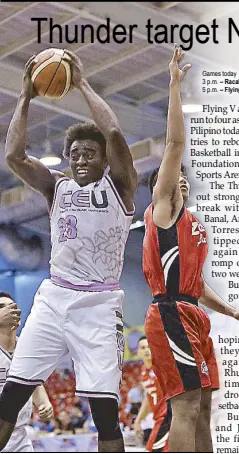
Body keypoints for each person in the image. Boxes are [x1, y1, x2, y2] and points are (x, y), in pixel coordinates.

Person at [0, 49, 137, 453]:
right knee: (10, 398)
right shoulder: (55, 186)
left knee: (105, 414)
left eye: (88, 154)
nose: (80, 158)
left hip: (98, 303)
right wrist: (25, 96)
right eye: (74, 153)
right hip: (54, 296)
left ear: (103, 161)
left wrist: (80, 83)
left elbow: (112, 134)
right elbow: (13, 156)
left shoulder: (120, 187)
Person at [142, 45, 239, 453]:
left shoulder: (193, 225)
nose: (179, 180)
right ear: (160, 188)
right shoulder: (163, 212)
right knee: (187, 405)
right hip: (170, 312)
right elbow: (175, 145)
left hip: (192, 312)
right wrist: (175, 86)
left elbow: (197, 285)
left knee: (205, 405)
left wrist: (232, 311)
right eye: (170, 177)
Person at [0, 292, 53, 452]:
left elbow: (32, 383)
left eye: (12, 307)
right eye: (1, 307)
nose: (9, 310)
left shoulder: (26, 348)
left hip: (20, 439)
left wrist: (45, 404)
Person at [134, 336, 171, 453]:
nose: (146, 350)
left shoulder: (161, 366)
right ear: (138, 352)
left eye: (149, 347)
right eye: (143, 347)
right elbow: (148, 398)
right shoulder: (143, 371)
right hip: (158, 419)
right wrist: (138, 420)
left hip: (167, 417)